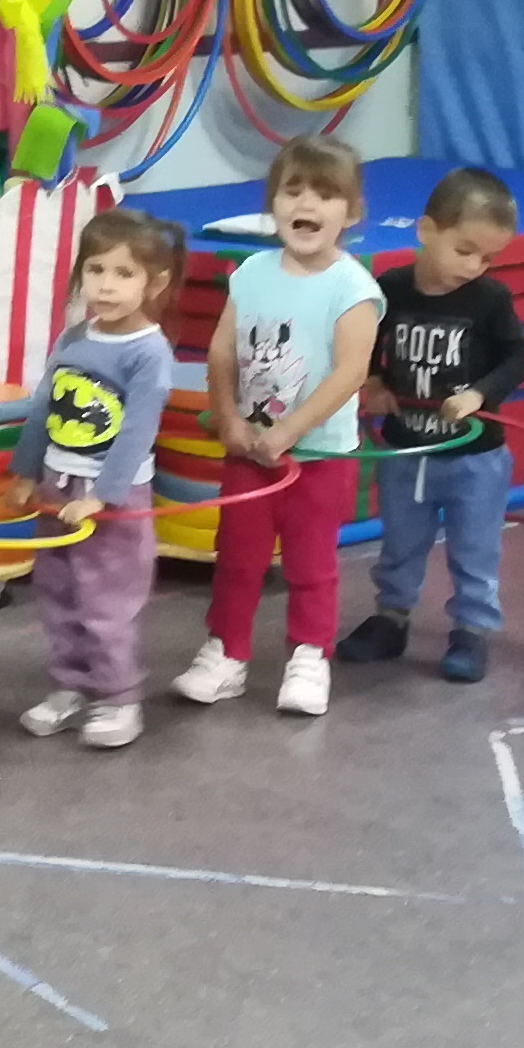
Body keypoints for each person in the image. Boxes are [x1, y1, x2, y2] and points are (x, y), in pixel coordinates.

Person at [175, 137, 383, 719]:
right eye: (293, 191)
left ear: (352, 212)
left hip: (317, 457)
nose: (306, 203)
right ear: (273, 204)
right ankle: (226, 651)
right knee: (237, 557)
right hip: (248, 453)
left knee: (311, 563)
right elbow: (222, 352)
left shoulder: (352, 288)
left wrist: (290, 430)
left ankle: (310, 655)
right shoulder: (251, 273)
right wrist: (228, 417)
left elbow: (351, 372)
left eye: (325, 194)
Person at [337, 168, 524, 686]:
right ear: (427, 230)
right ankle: (391, 618)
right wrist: (374, 380)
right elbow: (363, 343)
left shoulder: (490, 300)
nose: (474, 266)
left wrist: (478, 395)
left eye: (487, 258)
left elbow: (519, 356)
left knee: (475, 548)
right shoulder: (391, 288)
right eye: (464, 250)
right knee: (400, 542)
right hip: (406, 451)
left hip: (475, 458)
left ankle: (471, 628)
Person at [20, 207, 183, 749]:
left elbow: (137, 431)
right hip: (57, 486)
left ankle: (117, 697)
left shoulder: (148, 352)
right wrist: (24, 472)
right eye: (96, 270)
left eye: (123, 273)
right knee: (58, 591)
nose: (106, 285)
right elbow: (43, 410)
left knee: (107, 601)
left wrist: (104, 496)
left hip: (113, 496)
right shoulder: (74, 338)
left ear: (154, 283)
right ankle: (70, 685)